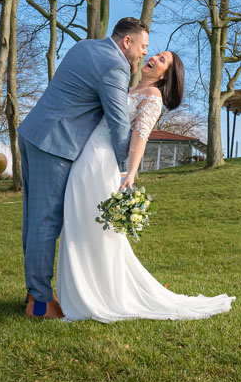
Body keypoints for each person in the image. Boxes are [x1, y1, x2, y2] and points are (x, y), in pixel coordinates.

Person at [54, 47, 234, 323]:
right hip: (84, 157)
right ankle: (78, 293)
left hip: (103, 162)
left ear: (166, 75)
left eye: (162, 60)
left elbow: (140, 137)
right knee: (77, 222)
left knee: (96, 229)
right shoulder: (128, 88)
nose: (153, 58)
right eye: (156, 55)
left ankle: (101, 295)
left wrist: (130, 173)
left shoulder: (152, 96)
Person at [17, 17, 147, 319]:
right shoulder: (115, 67)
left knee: (33, 220)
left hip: (34, 133)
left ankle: (33, 292)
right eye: (142, 47)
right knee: (46, 222)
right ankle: (39, 302)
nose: (143, 54)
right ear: (127, 42)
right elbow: (118, 123)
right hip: (55, 144)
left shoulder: (84, 46)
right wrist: (124, 168)